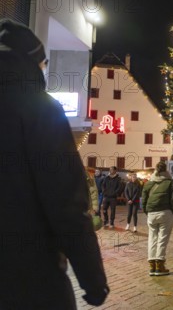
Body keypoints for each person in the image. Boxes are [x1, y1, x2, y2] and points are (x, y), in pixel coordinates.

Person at [0, 18, 109, 308]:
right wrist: (93, 280)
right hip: (29, 277)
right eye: (43, 63)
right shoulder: (39, 109)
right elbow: (67, 203)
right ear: (32, 62)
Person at [142, 161, 173, 276]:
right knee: (162, 239)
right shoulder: (169, 182)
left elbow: (143, 199)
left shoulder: (149, 183)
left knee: (152, 238)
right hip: (165, 213)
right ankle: (160, 266)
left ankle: (152, 266)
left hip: (151, 213)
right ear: (165, 169)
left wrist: (146, 211)